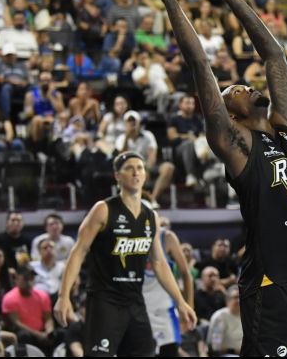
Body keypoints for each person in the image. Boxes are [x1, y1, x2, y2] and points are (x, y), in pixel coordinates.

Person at [139, 0, 287, 356]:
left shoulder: (283, 125)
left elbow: (274, 55)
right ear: (232, 115)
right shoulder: (235, 145)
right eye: (235, 90)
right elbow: (199, 64)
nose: (245, 85)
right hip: (273, 287)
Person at [53, 152, 197, 356]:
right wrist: (63, 295)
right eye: (129, 168)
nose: (136, 172)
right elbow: (78, 252)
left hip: (135, 301)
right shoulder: (103, 209)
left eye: (140, 168)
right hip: (105, 300)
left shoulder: (151, 217)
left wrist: (181, 302)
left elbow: (159, 263)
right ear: (117, 176)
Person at [142, 217, 195, 357]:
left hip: (165, 311)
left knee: (170, 352)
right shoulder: (127, 237)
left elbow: (186, 274)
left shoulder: (166, 237)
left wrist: (188, 306)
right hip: (138, 310)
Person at [208, 286, 243, 356]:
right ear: (227, 300)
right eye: (235, 297)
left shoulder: (246, 316)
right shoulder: (219, 317)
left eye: (240, 297)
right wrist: (233, 350)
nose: (239, 300)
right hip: (227, 354)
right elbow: (215, 346)